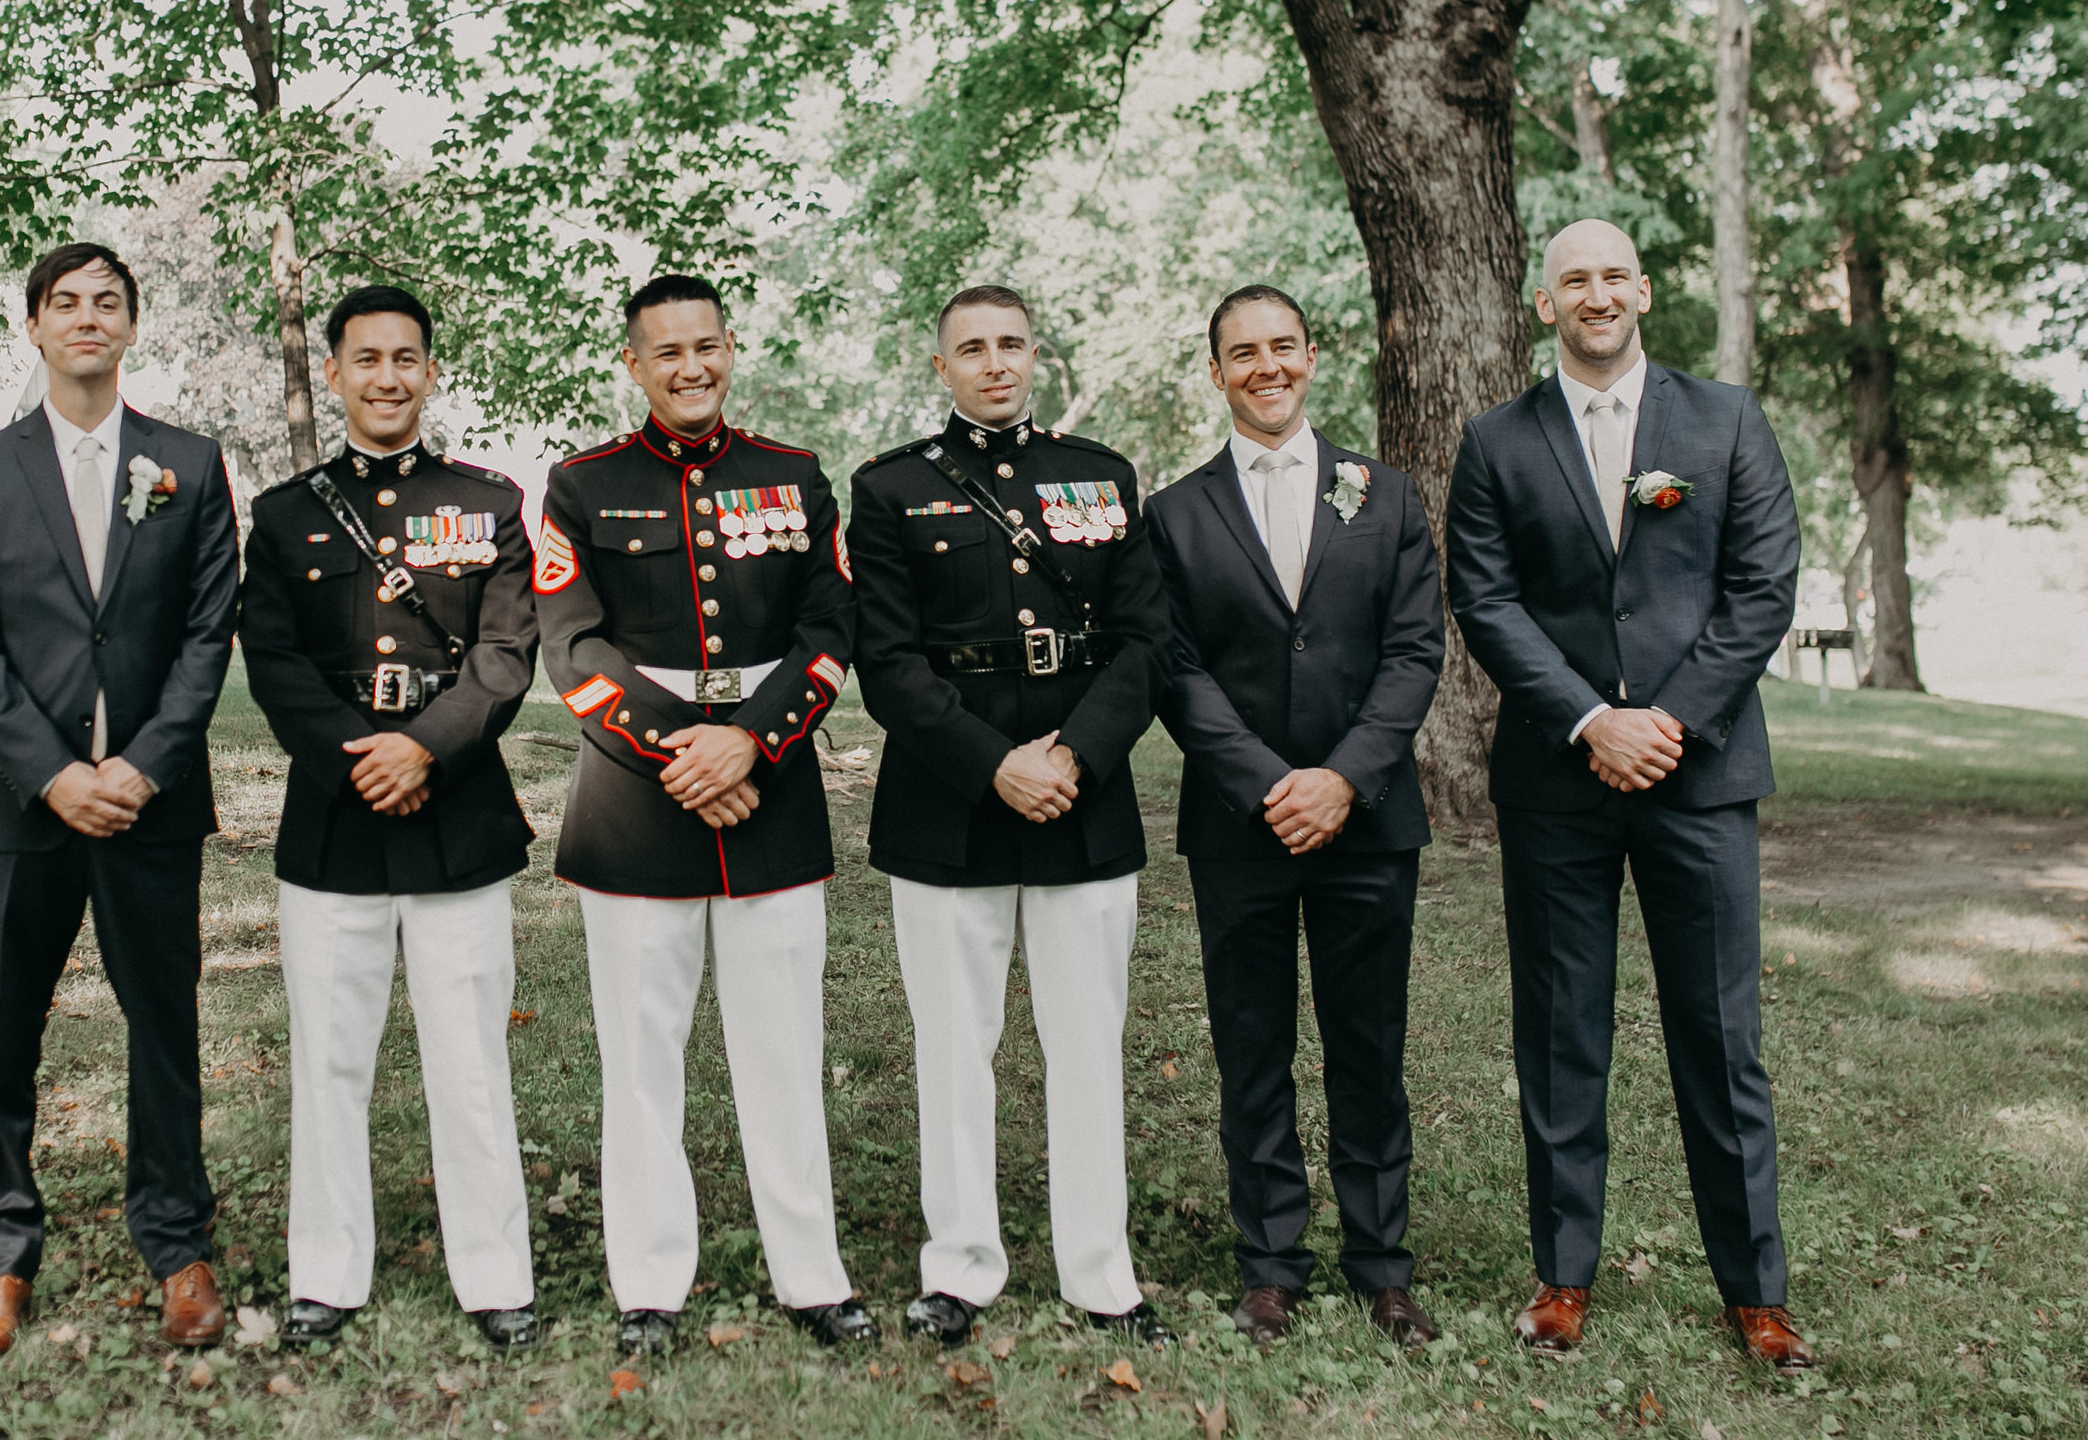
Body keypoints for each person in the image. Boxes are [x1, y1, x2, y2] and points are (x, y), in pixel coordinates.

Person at [1445, 218, 1811, 1370]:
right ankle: (1562, 1275)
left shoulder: (1724, 420)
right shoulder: (1496, 439)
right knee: (1560, 1032)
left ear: (1642, 290)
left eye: (1613, 275)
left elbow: (1761, 587)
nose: (1595, 294)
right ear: (1542, 303)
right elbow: (1486, 600)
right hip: (1557, 776)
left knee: (1720, 1033)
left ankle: (1755, 1291)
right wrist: (1589, 717)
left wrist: (1664, 720)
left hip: (1698, 776)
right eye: (1572, 280)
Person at [533, 274, 872, 1356]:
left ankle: (812, 1277)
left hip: (768, 789)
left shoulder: (795, 474)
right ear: (632, 364)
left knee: (783, 1046)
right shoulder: (581, 485)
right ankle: (647, 1287)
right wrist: (683, 747)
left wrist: (750, 740)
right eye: (665, 351)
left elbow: (830, 625)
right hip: (639, 800)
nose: (691, 368)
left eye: (707, 346)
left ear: (732, 348)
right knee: (640, 1060)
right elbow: (572, 648)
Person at [846, 284, 1173, 1349]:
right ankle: (960, 1266)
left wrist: (1072, 752)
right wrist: (996, 765)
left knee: (1087, 1043)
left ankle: (1099, 1269)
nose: (994, 362)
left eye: (1011, 343)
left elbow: (1144, 640)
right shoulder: (889, 486)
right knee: (952, 1045)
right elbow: (886, 665)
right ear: (939, 364)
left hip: (1083, 785)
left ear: (1034, 352)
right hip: (951, 797)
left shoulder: (1101, 475)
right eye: (971, 348)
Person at [0, 243, 239, 1357]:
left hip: (152, 805)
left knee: (164, 1027)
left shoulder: (188, 466)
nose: (87, 318)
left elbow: (209, 634)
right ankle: (0, 1257)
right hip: (21, 806)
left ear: (131, 327)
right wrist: (55, 772)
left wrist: (141, 767)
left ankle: (176, 1242)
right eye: (66, 302)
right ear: (34, 327)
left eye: (108, 301)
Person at [236, 285, 541, 1350]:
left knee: (468, 1058)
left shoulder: (489, 500)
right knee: (330, 1059)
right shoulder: (283, 514)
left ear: (431, 371)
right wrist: (359, 758)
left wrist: (426, 746)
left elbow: (507, 656)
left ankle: (496, 1275)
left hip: (457, 806)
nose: (387, 377)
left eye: (406, 357)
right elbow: (272, 660)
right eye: (365, 359)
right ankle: (326, 1272)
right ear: (334, 372)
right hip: (335, 812)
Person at [1143, 285, 1445, 1348]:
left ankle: (1381, 1261)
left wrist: (1343, 778)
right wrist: (1270, 781)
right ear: (1216, 369)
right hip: (1240, 823)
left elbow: (1415, 651)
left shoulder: (1386, 493)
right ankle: (1270, 1259)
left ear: (1311, 356)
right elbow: (1174, 668)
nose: (1264, 366)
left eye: (1281, 346)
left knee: (1369, 1045)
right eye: (1241, 352)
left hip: (1366, 822)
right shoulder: (1175, 511)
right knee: (1252, 1043)